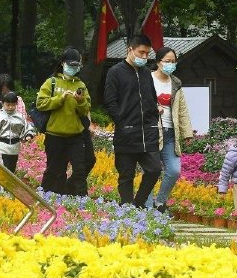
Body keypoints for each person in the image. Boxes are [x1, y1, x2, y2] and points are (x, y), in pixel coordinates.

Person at [104, 34, 162, 208]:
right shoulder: (115, 72)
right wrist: (121, 121)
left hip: (148, 132)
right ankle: (127, 209)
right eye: (141, 52)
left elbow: (151, 96)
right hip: (126, 133)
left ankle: (138, 203)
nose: (144, 57)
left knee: (154, 170)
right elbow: (110, 101)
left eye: (147, 53)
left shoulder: (146, 73)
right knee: (126, 175)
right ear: (130, 50)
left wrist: (154, 112)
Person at [144, 47, 193, 212]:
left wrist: (187, 132)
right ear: (158, 62)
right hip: (151, 131)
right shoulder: (147, 79)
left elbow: (183, 110)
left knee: (174, 170)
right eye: (167, 61)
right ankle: (148, 206)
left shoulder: (176, 83)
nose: (171, 64)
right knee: (151, 170)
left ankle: (160, 201)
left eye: (173, 61)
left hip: (170, 133)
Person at [36, 47, 91, 196]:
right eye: (70, 64)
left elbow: (85, 109)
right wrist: (60, 98)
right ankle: (45, 197)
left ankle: (81, 200)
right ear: (62, 63)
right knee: (55, 170)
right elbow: (40, 103)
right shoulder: (51, 82)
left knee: (80, 170)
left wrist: (80, 101)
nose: (73, 68)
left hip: (75, 136)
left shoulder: (81, 85)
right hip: (55, 135)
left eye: (76, 65)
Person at [0, 91, 35, 173]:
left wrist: (28, 135)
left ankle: (10, 185)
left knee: (12, 170)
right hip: (2, 147)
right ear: (2, 103)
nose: (10, 107)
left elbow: (27, 127)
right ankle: (3, 186)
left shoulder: (20, 117)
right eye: (8, 105)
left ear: (16, 104)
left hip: (15, 148)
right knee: (4, 170)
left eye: (13, 105)